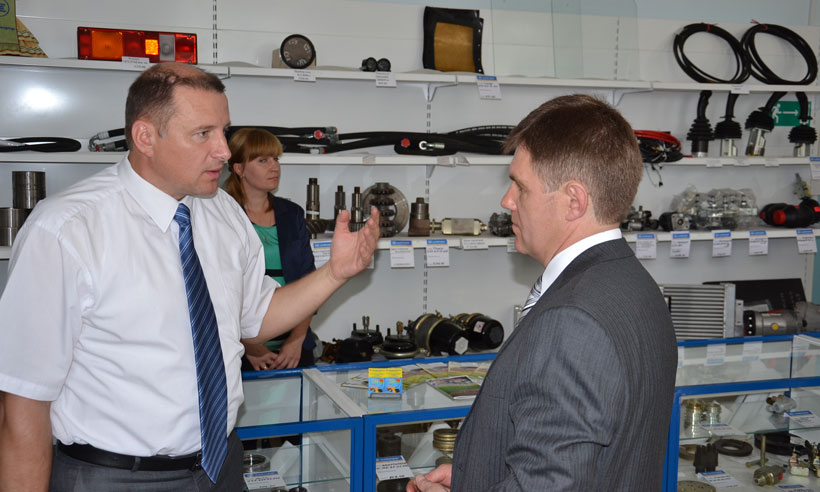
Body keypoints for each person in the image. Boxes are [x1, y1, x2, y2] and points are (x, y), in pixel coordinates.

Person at [0, 62, 380, 492]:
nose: (224, 151)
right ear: (145, 137)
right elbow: (24, 402)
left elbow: (256, 318)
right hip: (116, 477)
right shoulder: (67, 230)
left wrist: (335, 273)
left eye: (224, 131)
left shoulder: (222, 211)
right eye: (203, 134)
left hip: (221, 465)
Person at [408, 94, 677, 492]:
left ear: (573, 201)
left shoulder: (573, 322)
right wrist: (476, 478)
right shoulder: (635, 285)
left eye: (521, 186)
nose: (507, 200)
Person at [225, 128, 316, 370]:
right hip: (240, 351)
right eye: (262, 160)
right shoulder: (222, 215)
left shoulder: (292, 214)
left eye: (275, 158)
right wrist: (250, 346)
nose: (274, 167)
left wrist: (296, 341)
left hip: (294, 349)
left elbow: (308, 282)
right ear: (239, 169)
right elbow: (218, 291)